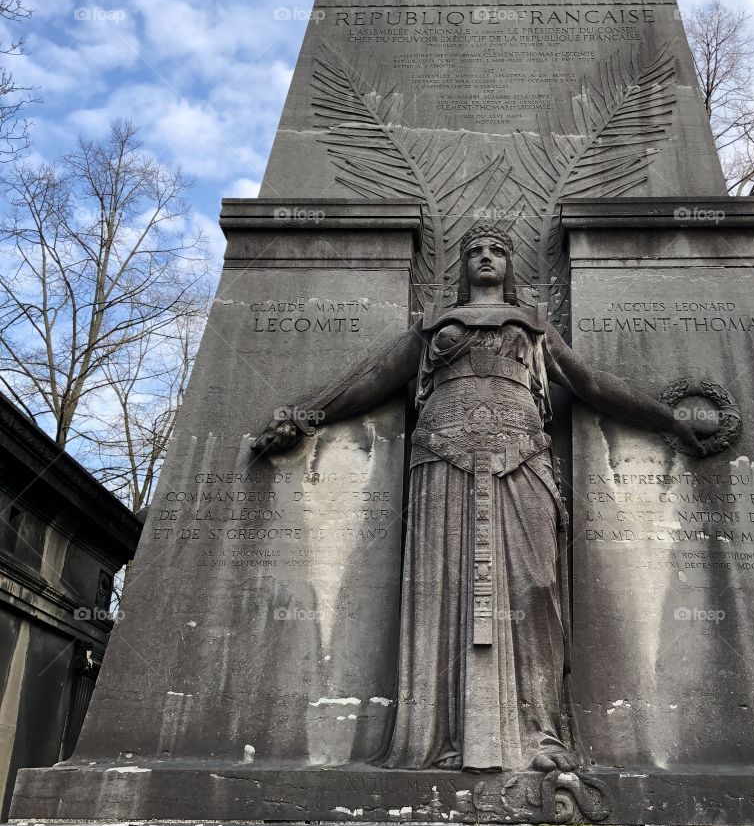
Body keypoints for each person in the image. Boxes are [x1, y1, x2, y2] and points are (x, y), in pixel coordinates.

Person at [255, 224, 712, 773]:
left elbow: (592, 383)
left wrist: (667, 419)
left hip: (522, 458)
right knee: (444, 589)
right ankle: (445, 735)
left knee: (536, 586)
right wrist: (307, 415)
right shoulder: (433, 326)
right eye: (475, 252)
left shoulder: (534, 326)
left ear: (510, 266)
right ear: (463, 266)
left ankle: (538, 734)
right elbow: (371, 377)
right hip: (442, 461)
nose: (486, 258)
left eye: (496, 251)